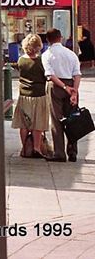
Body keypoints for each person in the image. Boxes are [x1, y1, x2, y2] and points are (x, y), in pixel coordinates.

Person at [41, 28, 82, 162]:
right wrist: (74, 91)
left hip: (56, 87)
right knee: (73, 120)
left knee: (56, 120)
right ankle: (72, 151)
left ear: (47, 40)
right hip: (72, 84)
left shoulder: (47, 54)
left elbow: (50, 75)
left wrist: (64, 87)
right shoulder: (71, 54)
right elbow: (77, 74)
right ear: (61, 38)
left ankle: (59, 153)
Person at [12, 33, 52, 159]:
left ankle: (25, 148)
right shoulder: (40, 61)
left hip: (24, 95)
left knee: (24, 124)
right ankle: (36, 148)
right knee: (37, 124)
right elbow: (46, 76)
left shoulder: (21, 60)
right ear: (38, 46)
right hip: (39, 95)